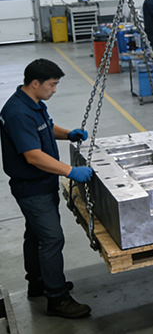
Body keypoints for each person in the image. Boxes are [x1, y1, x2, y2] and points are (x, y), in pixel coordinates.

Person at [0, 59, 94, 319]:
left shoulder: (32, 103)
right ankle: (57, 298)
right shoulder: (18, 112)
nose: (54, 90)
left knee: (36, 234)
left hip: (42, 183)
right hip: (32, 187)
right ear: (35, 83)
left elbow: (45, 128)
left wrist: (68, 134)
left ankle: (38, 282)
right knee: (52, 238)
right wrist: (70, 171)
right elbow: (33, 156)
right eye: (52, 85)